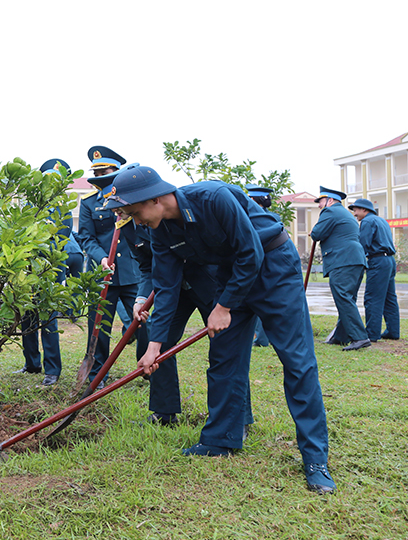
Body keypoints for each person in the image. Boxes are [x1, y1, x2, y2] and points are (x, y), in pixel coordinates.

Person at [105, 165, 335, 495]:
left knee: (297, 361)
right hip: (230, 275)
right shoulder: (160, 230)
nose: (135, 221)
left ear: (155, 199)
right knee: (224, 359)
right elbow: (167, 287)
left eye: (134, 211)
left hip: (273, 267)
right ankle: (220, 440)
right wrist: (154, 345)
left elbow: (251, 252)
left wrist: (224, 307)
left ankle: (315, 459)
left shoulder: (214, 198)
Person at [78, 146, 141, 387]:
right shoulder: (88, 203)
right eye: (95, 172)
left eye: (103, 171)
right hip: (103, 273)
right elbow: (86, 238)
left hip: (132, 274)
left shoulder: (132, 199)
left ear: (116, 171)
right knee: (99, 327)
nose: (97, 176)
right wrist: (102, 258)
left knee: (144, 325)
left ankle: (145, 367)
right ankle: (97, 375)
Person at [15, 158, 72, 386]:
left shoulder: (63, 209)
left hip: (49, 270)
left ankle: (53, 369)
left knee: (48, 320)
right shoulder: (31, 205)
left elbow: (62, 239)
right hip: (28, 270)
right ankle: (31, 364)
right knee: (27, 317)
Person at [310, 186, 369, 351]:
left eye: (320, 201)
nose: (319, 206)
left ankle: (360, 338)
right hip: (354, 259)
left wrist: (313, 231)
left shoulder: (330, 212)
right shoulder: (345, 214)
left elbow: (317, 233)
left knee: (343, 297)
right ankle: (341, 336)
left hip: (343, 260)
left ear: (329, 200)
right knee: (347, 298)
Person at [348, 198, 400, 342]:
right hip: (389, 260)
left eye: (356, 210)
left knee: (372, 298)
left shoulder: (367, 222)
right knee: (390, 298)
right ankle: (393, 331)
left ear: (364, 210)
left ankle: (372, 334)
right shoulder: (382, 221)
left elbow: (363, 244)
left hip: (377, 261)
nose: (355, 214)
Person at [245, 184, 281, 348]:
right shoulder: (274, 217)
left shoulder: (248, 217)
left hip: (256, 263)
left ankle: (260, 338)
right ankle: (268, 337)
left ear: (252, 199)